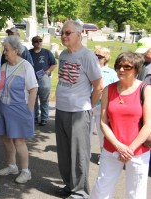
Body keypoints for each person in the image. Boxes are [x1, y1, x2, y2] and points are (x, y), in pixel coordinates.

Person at [90, 52, 151, 199]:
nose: (121, 70)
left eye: (127, 67)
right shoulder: (108, 90)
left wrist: (129, 149)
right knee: (101, 191)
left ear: (136, 70)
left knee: (135, 194)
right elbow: (103, 122)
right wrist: (119, 146)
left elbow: (148, 124)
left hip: (137, 152)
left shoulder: (145, 89)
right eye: (118, 66)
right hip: (111, 149)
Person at [54, 21, 103, 199]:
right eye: (62, 33)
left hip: (79, 111)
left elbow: (98, 86)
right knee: (65, 152)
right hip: (61, 109)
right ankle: (69, 185)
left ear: (79, 34)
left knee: (79, 153)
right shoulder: (64, 55)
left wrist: (88, 106)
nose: (64, 36)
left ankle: (80, 192)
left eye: (68, 33)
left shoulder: (87, 56)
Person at [0, 35, 38, 184]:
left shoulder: (26, 66)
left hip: (20, 109)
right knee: (6, 138)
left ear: (16, 50)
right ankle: (12, 166)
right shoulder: (4, 66)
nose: (5, 52)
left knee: (19, 141)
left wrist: (29, 110)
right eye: (4, 50)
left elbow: (33, 89)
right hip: (3, 107)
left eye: (6, 50)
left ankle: (26, 171)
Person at [90, 47, 118, 164]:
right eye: (95, 55)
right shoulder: (89, 69)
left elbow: (115, 90)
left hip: (103, 107)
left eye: (99, 56)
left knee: (103, 133)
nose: (96, 58)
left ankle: (103, 155)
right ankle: (85, 153)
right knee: (86, 133)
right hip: (88, 104)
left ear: (105, 58)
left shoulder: (111, 73)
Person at [29, 35, 57, 126]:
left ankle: (44, 118)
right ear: (32, 43)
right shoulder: (29, 53)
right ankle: (35, 118)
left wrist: (48, 71)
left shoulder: (47, 52)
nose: (38, 42)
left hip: (44, 78)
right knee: (33, 99)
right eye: (36, 41)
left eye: (40, 40)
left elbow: (54, 64)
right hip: (32, 78)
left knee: (44, 99)